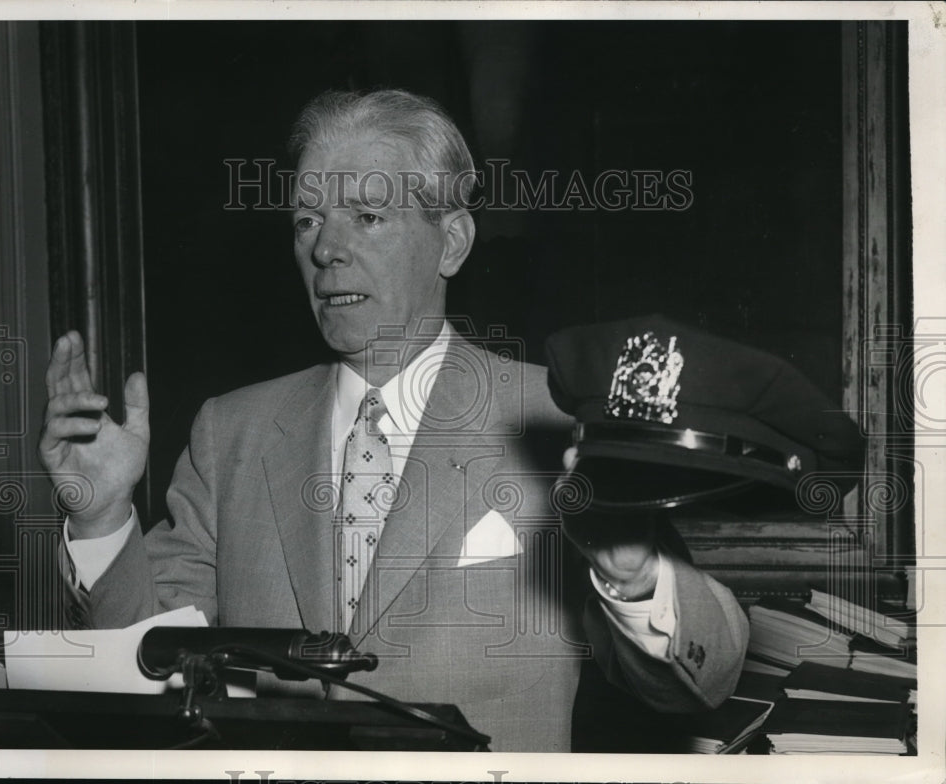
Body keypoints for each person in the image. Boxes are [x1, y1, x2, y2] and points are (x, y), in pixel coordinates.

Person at [39, 89, 747, 752]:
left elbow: (704, 675)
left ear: (452, 242)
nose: (325, 249)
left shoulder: (557, 423)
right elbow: (147, 669)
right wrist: (103, 522)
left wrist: (636, 573)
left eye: (368, 217)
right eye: (308, 221)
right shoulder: (232, 433)